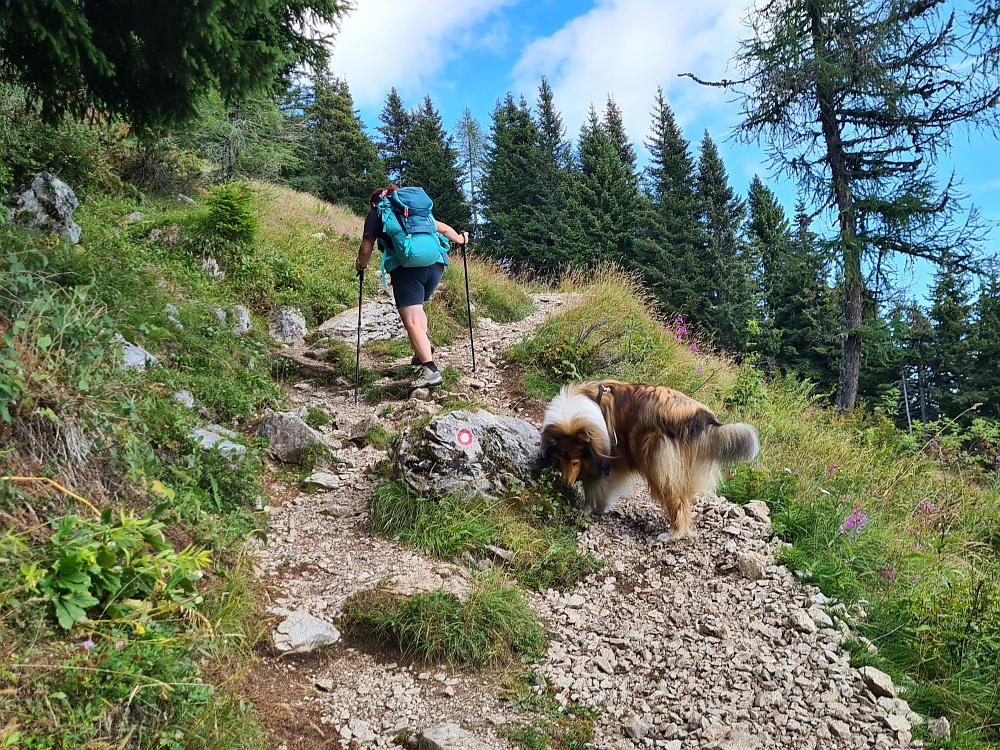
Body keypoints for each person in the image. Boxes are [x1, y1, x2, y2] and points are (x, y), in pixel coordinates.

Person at [355, 185, 468, 388]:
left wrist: (360, 265)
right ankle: (421, 350)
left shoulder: (378, 212)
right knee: (418, 309)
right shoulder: (416, 211)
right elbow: (442, 228)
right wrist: (460, 239)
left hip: (408, 268)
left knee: (412, 320)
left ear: (374, 202)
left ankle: (430, 370)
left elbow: (366, 248)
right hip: (436, 266)